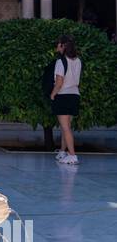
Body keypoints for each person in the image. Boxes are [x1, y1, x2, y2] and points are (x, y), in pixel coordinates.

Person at [51, 35, 82, 166]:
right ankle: (63, 152)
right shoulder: (78, 60)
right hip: (74, 95)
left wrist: (53, 94)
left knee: (65, 127)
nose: (57, 47)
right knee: (67, 127)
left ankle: (72, 155)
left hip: (63, 95)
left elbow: (59, 82)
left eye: (58, 44)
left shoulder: (60, 62)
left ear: (63, 46)